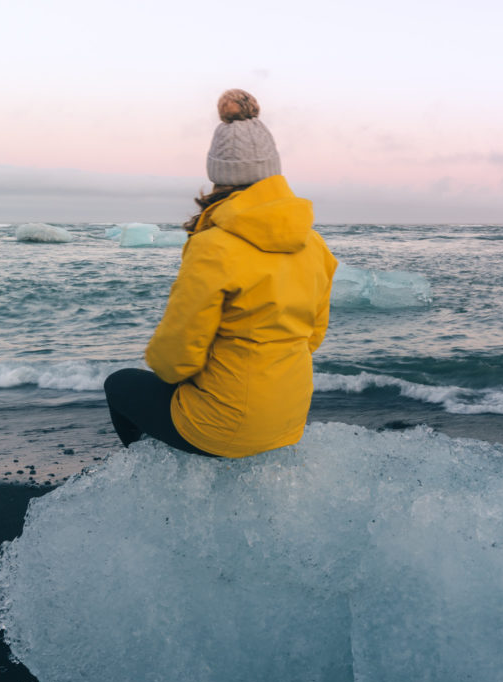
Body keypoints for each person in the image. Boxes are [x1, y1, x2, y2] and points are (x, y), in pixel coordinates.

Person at [104, 89, 337, 458]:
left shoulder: (214, 246)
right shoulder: (314, 244)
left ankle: (147, 476)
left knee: (120, 385)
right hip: (290, 419)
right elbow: (313, 337)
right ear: (272, 173)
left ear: (219, 176)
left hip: (223, 429)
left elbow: (175, 356)